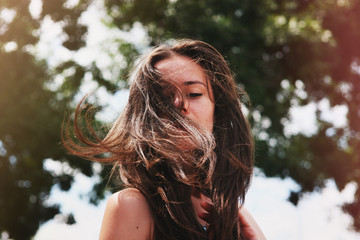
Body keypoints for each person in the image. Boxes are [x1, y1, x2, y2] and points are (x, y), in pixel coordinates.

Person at [64, 39, 266, 240]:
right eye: (163, 97)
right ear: (144, 116)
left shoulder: (235, 217)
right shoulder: (130, 206)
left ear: (217, 111)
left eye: (194, 93)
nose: (180, 104)